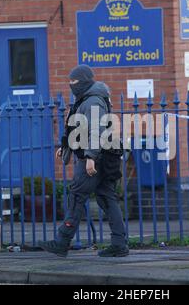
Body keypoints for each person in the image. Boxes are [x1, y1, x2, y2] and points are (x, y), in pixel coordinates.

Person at [38, 64, 128, 257]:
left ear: (85, 81)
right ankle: (120, 244)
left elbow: (97, 131)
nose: (71, 85)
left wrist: (90, 158)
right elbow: (79, 129)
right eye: (70, 81)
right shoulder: (85, 99)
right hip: (103, 156)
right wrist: (67, 146)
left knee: (77, 196)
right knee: (106, 198)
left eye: (75, 81)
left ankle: (62, 241)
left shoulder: (93, 100)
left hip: (96, 157)